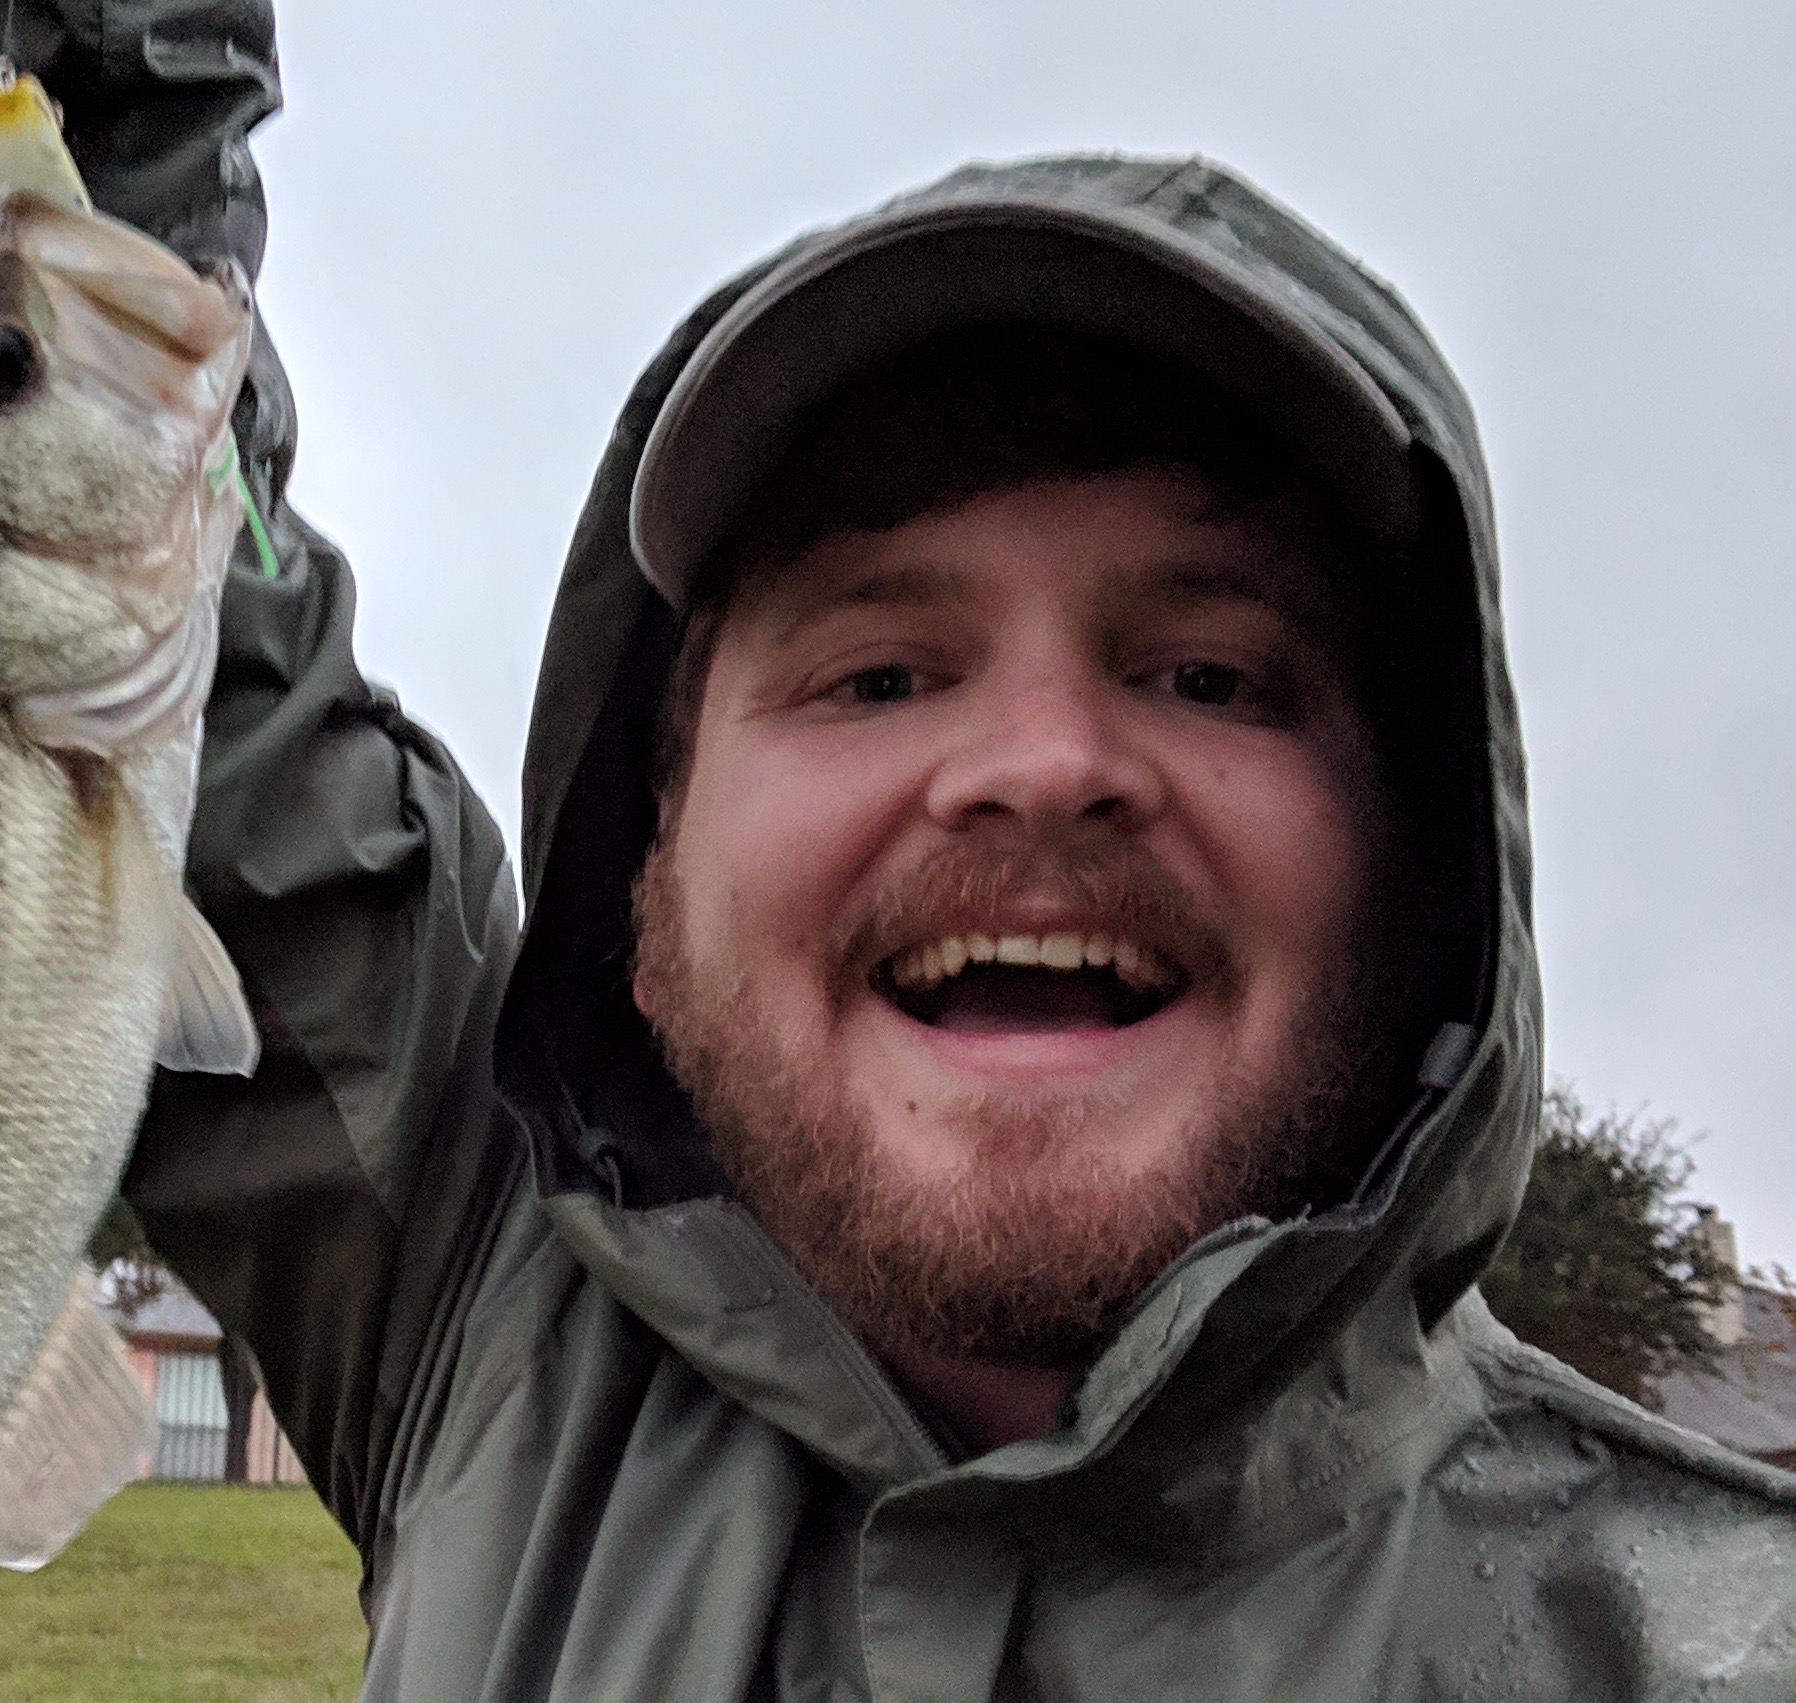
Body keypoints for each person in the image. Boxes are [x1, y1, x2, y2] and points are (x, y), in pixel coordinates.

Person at [17, 3, 1796, 1697]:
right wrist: (116, 70)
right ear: (644, 904)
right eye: (877, 673)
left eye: (1210, 674)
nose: (1041, 765)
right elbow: (119, 576)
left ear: (1429, 893)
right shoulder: (489, 1319)